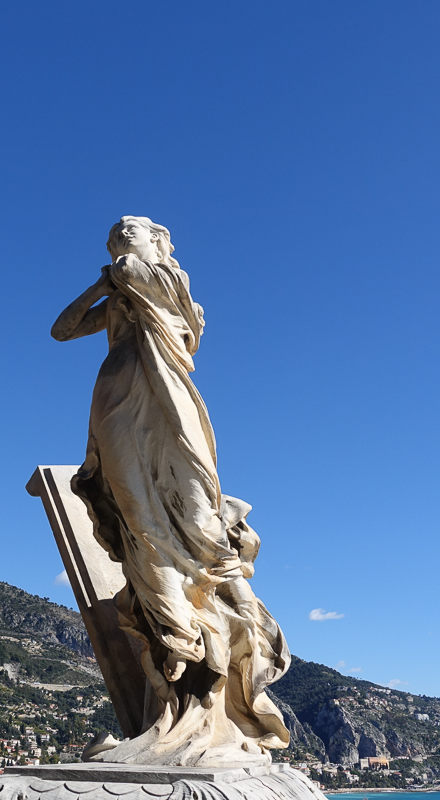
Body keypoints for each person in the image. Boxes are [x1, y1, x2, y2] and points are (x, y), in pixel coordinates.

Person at [51, 216, 291, 767]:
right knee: (137, 522)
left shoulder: (166, 283)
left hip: (168, 406)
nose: (117, 242)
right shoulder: (119, 289)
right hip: (116, 397)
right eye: (113, 239)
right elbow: (62, 330)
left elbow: (138, 273)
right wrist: (99, 288)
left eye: (127, 234)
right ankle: (172, 662)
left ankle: (203, 657)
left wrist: (121, 270)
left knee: (200, 521)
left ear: (158, 243)